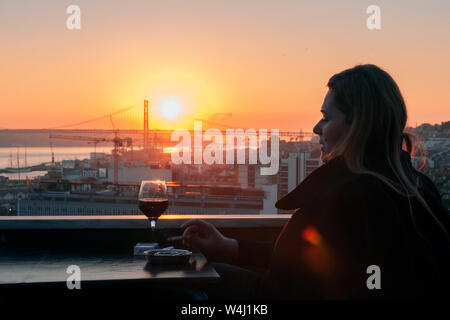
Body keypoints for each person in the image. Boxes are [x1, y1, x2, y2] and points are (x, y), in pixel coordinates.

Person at [181, 64, 450, 299]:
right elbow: (310, 262)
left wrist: (193, 272)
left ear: (356, 127)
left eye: (326, 117)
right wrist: (231, 248)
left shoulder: (342, 199)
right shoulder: (419, 191)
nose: (315, 128)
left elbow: (279, 292)